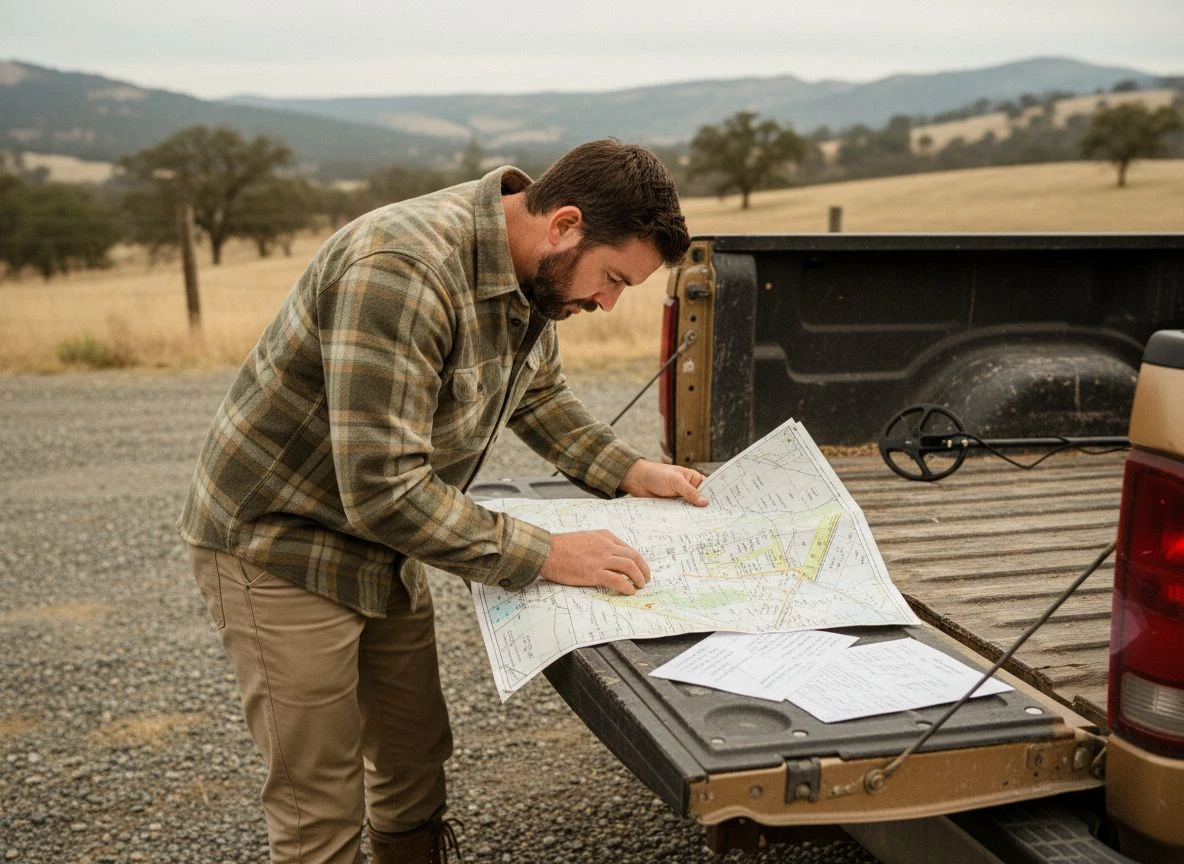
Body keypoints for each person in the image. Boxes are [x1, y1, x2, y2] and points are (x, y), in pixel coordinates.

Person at [179, 139, 709, 864]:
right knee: (319, 800)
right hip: (282, 541)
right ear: (564, 225)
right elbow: (383, 488)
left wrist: (628, 470)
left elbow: (539, 393)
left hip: (386, 542)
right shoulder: (402, 270)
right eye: (614, 279)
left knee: (413, 750)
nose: (607, 302)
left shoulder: (533, 274)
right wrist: (549, 554)